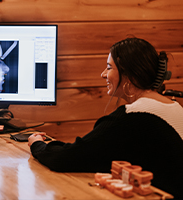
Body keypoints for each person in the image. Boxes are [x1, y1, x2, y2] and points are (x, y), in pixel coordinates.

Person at [28, 38, 183, 199]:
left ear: (129, 74)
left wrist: (38, 145)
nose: (103, 74)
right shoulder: (175, 107)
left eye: (109, 68)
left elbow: (66, 158)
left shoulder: (133, 117)